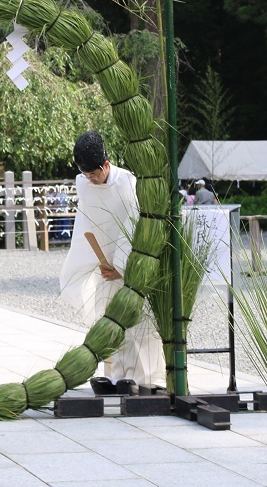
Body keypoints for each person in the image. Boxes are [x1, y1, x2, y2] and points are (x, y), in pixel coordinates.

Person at [60, 130, 165, 394]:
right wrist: (99, 262)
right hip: (101, 263)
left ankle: (146, 379)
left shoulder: (127, 183)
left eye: (95, 174)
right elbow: (85, 222)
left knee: (138, 323)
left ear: (106, 165)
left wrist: (120, 266)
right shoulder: (83, 184)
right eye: (86, 175)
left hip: (128, 267)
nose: (91, 180)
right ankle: (116, 377)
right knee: (108, 319)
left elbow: (132, 224)